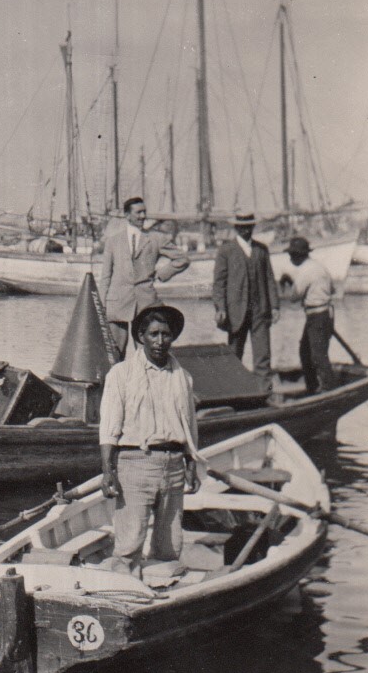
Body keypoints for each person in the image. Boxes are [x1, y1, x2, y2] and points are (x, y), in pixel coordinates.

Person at [99, 304, 201, 576]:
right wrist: (107, 470)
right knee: (130, 541)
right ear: (141, 336)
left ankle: (161, 592)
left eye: (165, 334)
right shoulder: (120, 374)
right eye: (153, 334)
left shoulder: (183, 377)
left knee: (169, 545)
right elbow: (109, 427)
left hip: (174, 464)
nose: (160, 341)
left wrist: (192, 463)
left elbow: (189, 424)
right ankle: (122, 591)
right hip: (135, 463)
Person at [99, 196, 190, 356]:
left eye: (144, 212)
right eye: (138, 212)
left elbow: (182, 259)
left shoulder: (156, 238)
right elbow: (106, 276)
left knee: (147, 353)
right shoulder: (113, 241)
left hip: (146, 304)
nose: (142, 216)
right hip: (117, 304)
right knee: (114, 353)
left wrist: (161, 274)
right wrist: (101, 306)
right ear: (127, 215)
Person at [212, 211, 280, 390]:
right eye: (242, 227)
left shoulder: (261, 249)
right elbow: (219, 283)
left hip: (260, 309)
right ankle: (233, 390)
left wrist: (275, 306)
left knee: (263, 353)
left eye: (249, 226)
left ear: (253, 227)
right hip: (235, 311)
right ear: (236, 227)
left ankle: (264, 391)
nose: (245, 230)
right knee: (234, 354)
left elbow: (270, 279)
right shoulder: (225, 251)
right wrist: (220, 308)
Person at [279, 236, 336, 393]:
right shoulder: (319, 267)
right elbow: (332, 289)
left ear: (298, 255)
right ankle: (313, 386)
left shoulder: (305, 271)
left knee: (317, 355)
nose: (290, 258)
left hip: (317, 316)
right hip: (326, 313)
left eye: (291, 255)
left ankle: (327, 388)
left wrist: (287, 282)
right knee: (307, 351)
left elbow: (293, 298)